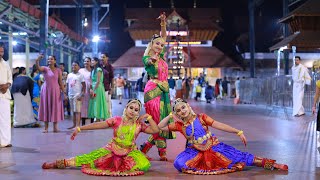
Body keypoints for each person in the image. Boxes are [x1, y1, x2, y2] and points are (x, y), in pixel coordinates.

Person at [158, 98, 289, 175]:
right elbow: (160, 126)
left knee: (239, 157)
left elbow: (219, 125)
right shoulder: (180, 125)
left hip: (212, 147)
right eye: (178, 111)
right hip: (195, 151)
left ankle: (271, 164)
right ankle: (202, 166)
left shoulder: (201, 117)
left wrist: (238, 132)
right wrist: (170, 115)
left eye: (183, 107)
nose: (182, 111)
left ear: (188, 106)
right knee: (178, 162)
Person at [42, 99, 159, 176]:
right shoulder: (116, 120)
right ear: (126, 108)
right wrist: (80, 128)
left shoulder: (139, 125)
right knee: (88, 158)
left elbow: (155, 130)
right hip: (112, 149)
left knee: (144, 164)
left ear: (138, 113)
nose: (133, 111)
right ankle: (59, 163)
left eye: (136, 110)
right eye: (131, 108)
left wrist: (148, 118)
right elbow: (98, 125)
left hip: (129, 152)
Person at [140, 13, 175, 161]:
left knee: (162, 121)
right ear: (151, 45)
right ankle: (162, 151)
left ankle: (146, 147)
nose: (160, 46)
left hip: (164, 91)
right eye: (157, 44)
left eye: (161, 45)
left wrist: (163, 23)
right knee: (156, 120)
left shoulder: (161, 57)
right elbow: (147, 62)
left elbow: (164, 37)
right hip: (153, 90)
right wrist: (151, 59)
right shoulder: (148, 57)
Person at [36, 54, 65, 133]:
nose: (50, 60)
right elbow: (38, 68)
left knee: (55, 108)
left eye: (51, 59)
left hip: (56, 90)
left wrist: (64, 91)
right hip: (46, 90)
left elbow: (60, 82)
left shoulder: (58, 70)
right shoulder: (45, 69)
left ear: (55, 61)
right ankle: (46, 128)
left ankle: (55, 127)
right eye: (48, 59)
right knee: (46, 107)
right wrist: (37, 60)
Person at [88, 57, 109, 122]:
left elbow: (98, 81)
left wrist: (93, 90)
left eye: (93, 61)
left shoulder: (98, 69)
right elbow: (91, 81)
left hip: (98, 88)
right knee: (94, 103)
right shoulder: (92, 70)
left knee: (98, 102)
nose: (91, 62)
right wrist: (91, 89)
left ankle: (98, 118)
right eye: (91, 61)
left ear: (96, 62)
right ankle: (96, 118)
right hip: (94, 88)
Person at [66, 61, 86, 129]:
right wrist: (66, 94)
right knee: (73, 111)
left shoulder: (80, 75)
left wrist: (82, 95)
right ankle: (74, 125)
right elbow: (67, 85)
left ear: (79, 67)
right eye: (73, 65)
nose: (74, 67)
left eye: (75, 65)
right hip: (70, 95)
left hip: (77, 95)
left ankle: (78, 125)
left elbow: (84, 86)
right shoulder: (69, 75)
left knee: (78, 111)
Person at [0, 45, 13, 148]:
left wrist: (7, 85)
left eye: (2, 52)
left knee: (5, 119)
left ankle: (5, 141)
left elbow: (10, 79)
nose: (1, 54)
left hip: (5, 94)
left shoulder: (6, 64)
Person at [79, 57, 93, 125]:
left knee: (91, 105)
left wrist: (92, 89)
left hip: (90, 90)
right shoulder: (81, 70)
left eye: (87, 61)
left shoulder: (92, 71)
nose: (86, 63)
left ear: (90, 62)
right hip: (83, 90)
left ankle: (92, 123)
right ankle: (83, 123)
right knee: (83, 106)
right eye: (85, 61)